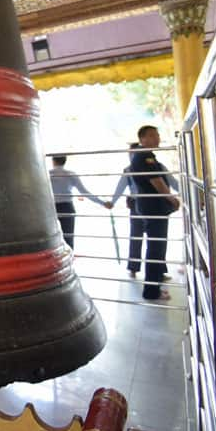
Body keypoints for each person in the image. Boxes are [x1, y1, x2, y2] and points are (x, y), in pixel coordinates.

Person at [109, 143, 178, 278]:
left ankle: (159, 270)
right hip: (136, 204)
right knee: (136, 236)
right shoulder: (127, 170)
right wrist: (112, 202)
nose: (131, 156)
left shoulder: (158, 166)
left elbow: (173, 183)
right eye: (130, 154)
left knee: (157, 240)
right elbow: (120, 187)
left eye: (133, 154)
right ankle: (133, 268)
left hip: (154, 204)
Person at [128, 125, 180, 301]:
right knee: (156, 248)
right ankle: (151, 291)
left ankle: (154, 286)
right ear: (142, 139)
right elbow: (156, 180)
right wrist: (172, 198)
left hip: (151, 207)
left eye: (157, 135)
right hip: (153, 208)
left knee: (157, 247)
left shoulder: (145, 156)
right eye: (151, 135)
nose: (156, 138)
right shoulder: (144, 156)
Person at [49, 155, 111, 248]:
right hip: (67, 207)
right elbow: (85, 192)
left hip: (52, 209)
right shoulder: (71, 174)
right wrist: (103, 203)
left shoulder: (48, 174)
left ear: (53, 161)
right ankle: (69, 260)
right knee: (69, 238)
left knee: (52, 240)